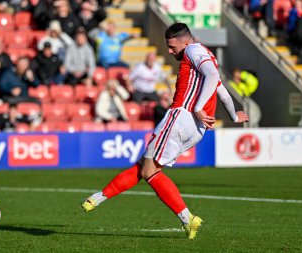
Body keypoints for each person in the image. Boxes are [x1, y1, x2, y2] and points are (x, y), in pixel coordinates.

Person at [81, 23, 249, 240]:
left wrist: (197, 107)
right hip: (196, 129)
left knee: (149, 171)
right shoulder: (202, 55)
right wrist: (234, 116)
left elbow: (212, 75)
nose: (170, 51)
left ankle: (188, 219)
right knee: (144, 165)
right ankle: (97, 198)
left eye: (172, 46)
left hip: (182, 117)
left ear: (185, 41)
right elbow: (222, 90)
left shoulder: (193, 50)